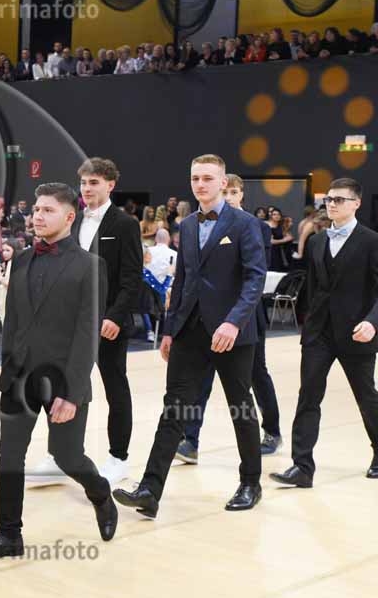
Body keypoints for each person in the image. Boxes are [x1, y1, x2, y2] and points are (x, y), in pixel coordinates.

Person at [0, 182, 117, 564]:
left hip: (63, 380)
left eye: (48, 210)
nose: (38, 215)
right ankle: (9, 534)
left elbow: (87, 334)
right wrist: (6, 371)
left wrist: (72, 391)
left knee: (68, 457)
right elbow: (14, 322)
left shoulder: (90, 266)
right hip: (20, 378)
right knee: (9, 456)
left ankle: (100, 493)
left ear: (69, 217)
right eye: (36, 209)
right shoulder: (20, 260)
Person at [114, 154, 265, 518]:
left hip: (231, 334)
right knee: (174, 410)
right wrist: (169, 329)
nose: (200, 184)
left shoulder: (245, 224)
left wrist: (233, 322)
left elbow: (255, 278)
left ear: (223, 182)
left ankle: (250, 483)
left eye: (208, 178)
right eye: (195, 178)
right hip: (189, 332)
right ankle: (150, 489)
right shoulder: (189, 224)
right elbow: (182, 279)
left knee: (240, 407)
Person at [28, 159, 142, 486]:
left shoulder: (125, 224)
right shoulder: (73, 220)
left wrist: (115, 316)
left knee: (115, 388)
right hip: (69, 321)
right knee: (62, 385)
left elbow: (132, 278)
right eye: (83, 183)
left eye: (94, 182)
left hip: (108, 323)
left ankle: (118, 458)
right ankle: (60, 455)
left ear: (110, 185)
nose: (87, 188)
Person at [271, 178, 378, 488]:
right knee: (308, 396)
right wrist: (307, 324)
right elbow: (315, 287)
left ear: (356, 203)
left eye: (339, 199)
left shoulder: (374, 242)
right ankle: (302, 466)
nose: (332, 204)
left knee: (365, 395)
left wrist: (373, 322)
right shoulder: (318, 241)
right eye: (329, 199)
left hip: (357, 332)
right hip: (318, 333)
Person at [175, 174, 283, 464]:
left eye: (235, 192)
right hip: (207, 316)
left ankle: (271, 431)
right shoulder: (197, 225)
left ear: (241, 194)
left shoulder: (255, 226)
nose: (230, 197)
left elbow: (255, 274)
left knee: (255, 376)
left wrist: (236, 318)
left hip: (245, 316)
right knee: (201, 379)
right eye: (227, 192)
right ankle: (190, 439)